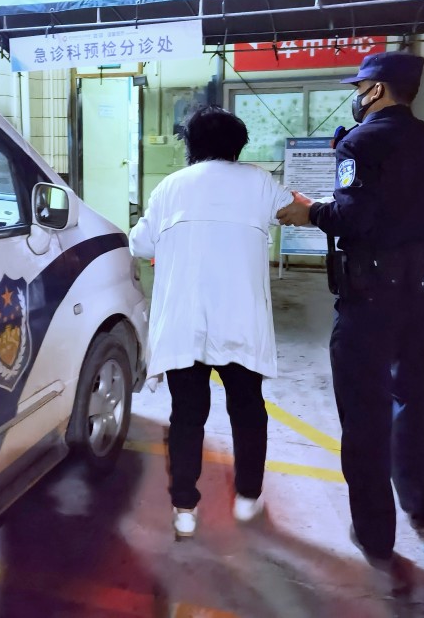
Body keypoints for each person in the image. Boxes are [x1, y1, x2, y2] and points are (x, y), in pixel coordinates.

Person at [277, 51, 424, 571]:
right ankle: (421, 503)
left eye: (359, 88)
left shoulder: (361, 142)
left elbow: (355, 217)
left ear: (376, 89)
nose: (356, 97)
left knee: (364, 410)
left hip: (374, 293)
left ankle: (376, 534)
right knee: (415, 390)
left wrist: (310, 211)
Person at [129, 106, 292, 539]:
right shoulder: (258, 181)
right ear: (238, 146)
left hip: (185, 320)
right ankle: (248, 497)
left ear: (191, 144)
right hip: (240, 320)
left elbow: (140, 243)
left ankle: (184, 507)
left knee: (187, 415)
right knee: (248, 409)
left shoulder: (170, 186)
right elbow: (294, 211)